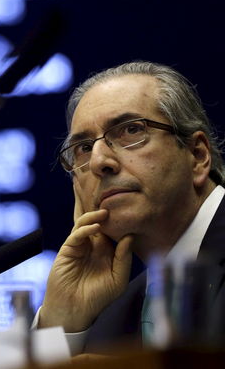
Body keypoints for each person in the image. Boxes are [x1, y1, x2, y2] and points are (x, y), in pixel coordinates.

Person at [36, 61, 225, 354]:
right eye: (84, 148)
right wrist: (61, 323)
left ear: (197, 156)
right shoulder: (113, 320)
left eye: (131, 130)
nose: (100, 162)